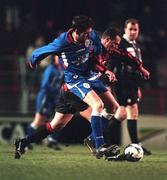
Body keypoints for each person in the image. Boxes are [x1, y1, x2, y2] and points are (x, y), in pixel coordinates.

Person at [14, 15, 120, 159]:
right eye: (86, 33)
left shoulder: (92, 35)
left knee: (112, 107)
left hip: (88, 78)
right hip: (74, 81)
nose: (89, 35)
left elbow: (96, 56)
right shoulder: (62, 42)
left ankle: (23, 142)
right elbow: (42, 51)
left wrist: (104, 69)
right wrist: (33, 60)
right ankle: (100, 145)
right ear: (76, 31)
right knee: (98, 105)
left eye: (90, 32)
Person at [105, 19, 151, 155]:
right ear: (125, 29)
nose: (133, 32)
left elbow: (136, 66)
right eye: (130, 29)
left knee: (122, 113)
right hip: (123, 83)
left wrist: (137, 86)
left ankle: (102, 138)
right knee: (132, 110)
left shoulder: (135, 45)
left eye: (135, 29)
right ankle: (136, 145)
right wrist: (108, 83)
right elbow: (113, 61)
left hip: (132, 84)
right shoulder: (121, 44)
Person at [26, 56, 63, 150]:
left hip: (53, 98)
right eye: (58, 57)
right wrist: (57, 91)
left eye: (61, 57)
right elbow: (45, 85)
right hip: (45, 97)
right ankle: (26, 140)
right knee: (38, 120)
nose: (60, 59)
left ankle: (52, 140)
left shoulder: (61, 69)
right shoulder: (50, 69)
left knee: (55, 119)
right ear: (53, 59)